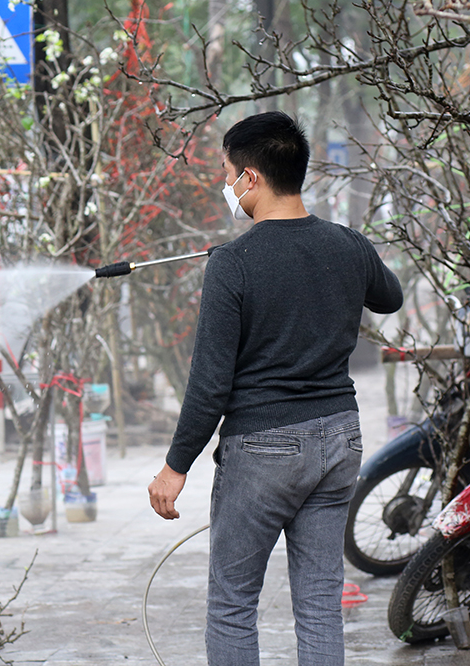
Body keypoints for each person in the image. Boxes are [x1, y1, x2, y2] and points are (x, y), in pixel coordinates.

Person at [147, 111, 403, 666]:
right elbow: (391, 297)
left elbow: (211, 383)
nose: (226, 183)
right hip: (338, 442)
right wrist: (337, 258)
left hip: (264, 449)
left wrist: (176, 465)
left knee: (234, 606)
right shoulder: (348, 245)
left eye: (227, 171)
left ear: (251, 178)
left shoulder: (233, 265)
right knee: (318, 605)